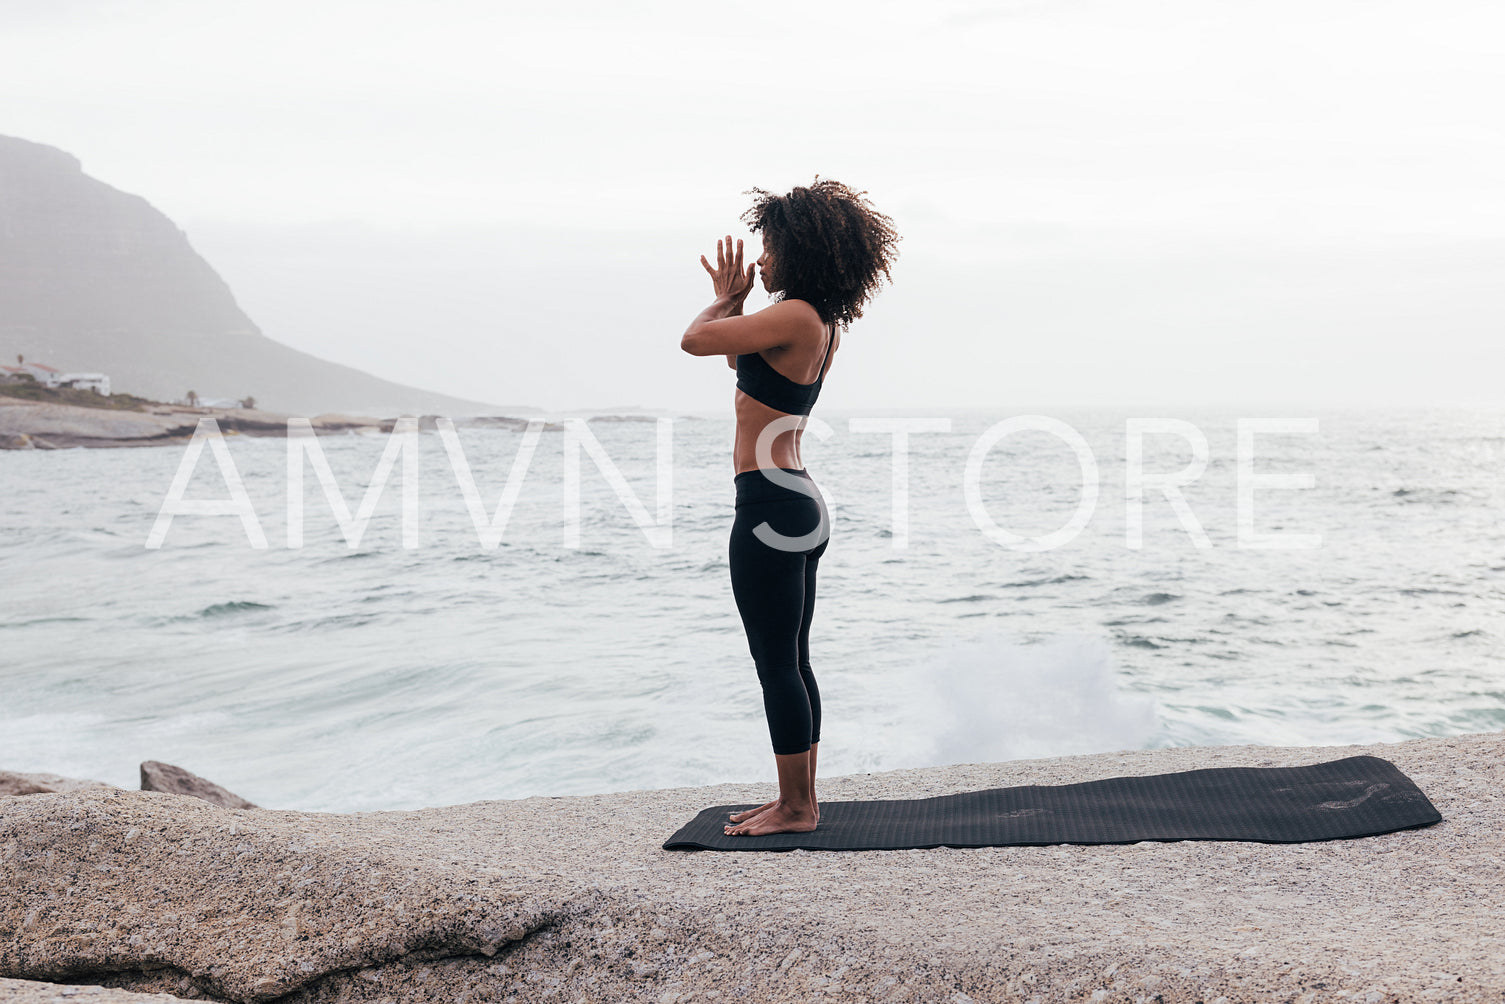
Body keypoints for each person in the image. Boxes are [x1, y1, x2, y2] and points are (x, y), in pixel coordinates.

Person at [679, 178, 900, 836]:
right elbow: (733, 359)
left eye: (770, 244)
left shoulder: (798, 314)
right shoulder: (815, 323)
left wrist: (720, 301)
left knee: (776, 660)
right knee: (791, 657)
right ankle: (798, 798)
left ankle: (796, 807)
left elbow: (695, 341)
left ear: (799, 250)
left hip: (771, 505)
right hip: (794, 499)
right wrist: (737, 310)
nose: (760, 257)